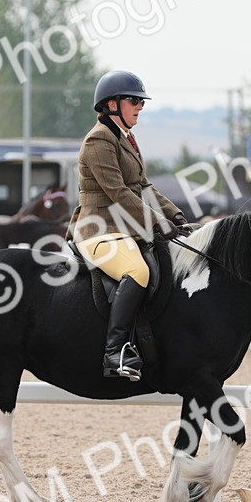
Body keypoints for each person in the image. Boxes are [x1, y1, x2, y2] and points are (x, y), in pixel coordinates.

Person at [67, 70, 189, 381]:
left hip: (123, 229)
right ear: (111, 104)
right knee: (138, 271)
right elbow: (119, 193)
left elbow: (143, 187)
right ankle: (114, 351)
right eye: (134, 101)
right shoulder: (98, 140)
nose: (140, 107)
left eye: (141, 102)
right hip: (98, 231)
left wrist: (174, 216)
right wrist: (156, 222)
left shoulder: (126, 139)